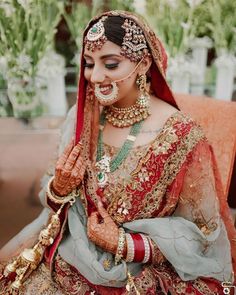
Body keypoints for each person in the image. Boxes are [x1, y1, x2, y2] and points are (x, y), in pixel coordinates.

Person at [0, 10, 235, 295]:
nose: (95, 76)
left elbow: (202, 235)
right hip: (69, 253)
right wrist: (59, 188)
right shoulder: (83, 118)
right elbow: (54, 200)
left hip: (140, 274)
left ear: (144, 63)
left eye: (110, 63)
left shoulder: (181, 137)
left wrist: (124, 243)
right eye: (88, 64)